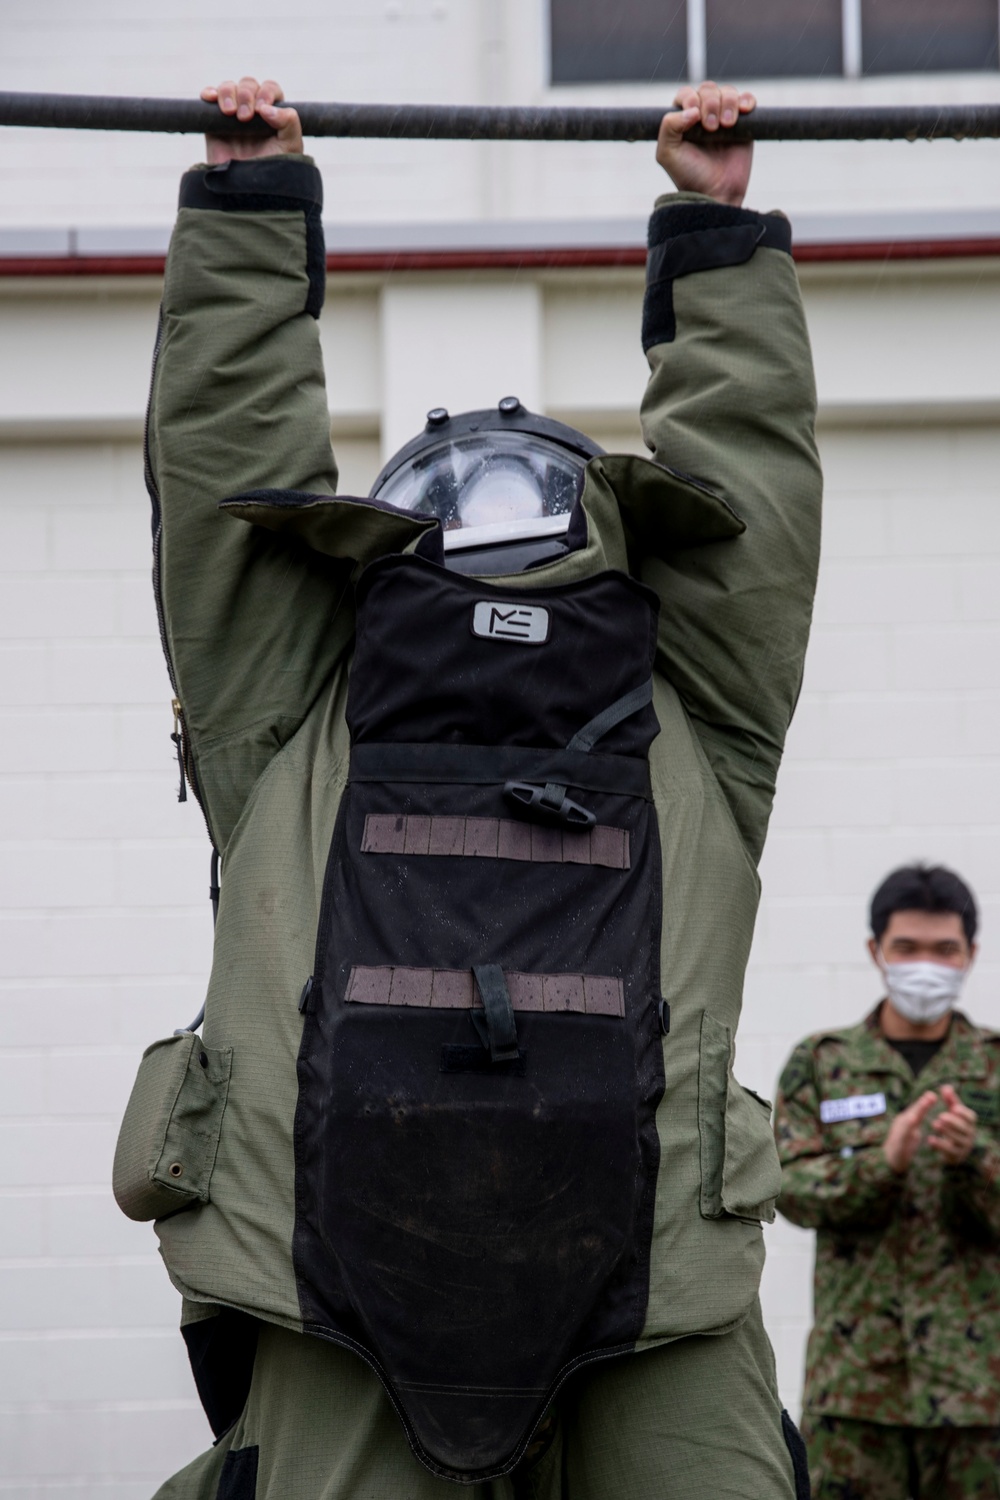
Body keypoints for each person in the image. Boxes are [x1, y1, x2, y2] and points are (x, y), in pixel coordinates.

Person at [113, 72, 821, 1499]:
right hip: (627, 1287)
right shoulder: (700, 711)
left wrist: (255, 208)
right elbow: (753, 499)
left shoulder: (291, 711)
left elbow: (226, 484)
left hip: (374, 1283)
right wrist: (711, 231)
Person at [774, 864, 1000, 1499]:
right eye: (907, 948)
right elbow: (785, 1187)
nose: (925, 965)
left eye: (944, 949)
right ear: (876, 950)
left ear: (970, 956)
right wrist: (884, 1163)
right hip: (856, 1396)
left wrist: (976, 1156)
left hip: (979, 1399)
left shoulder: (995, 1066)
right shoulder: (822, 1063)